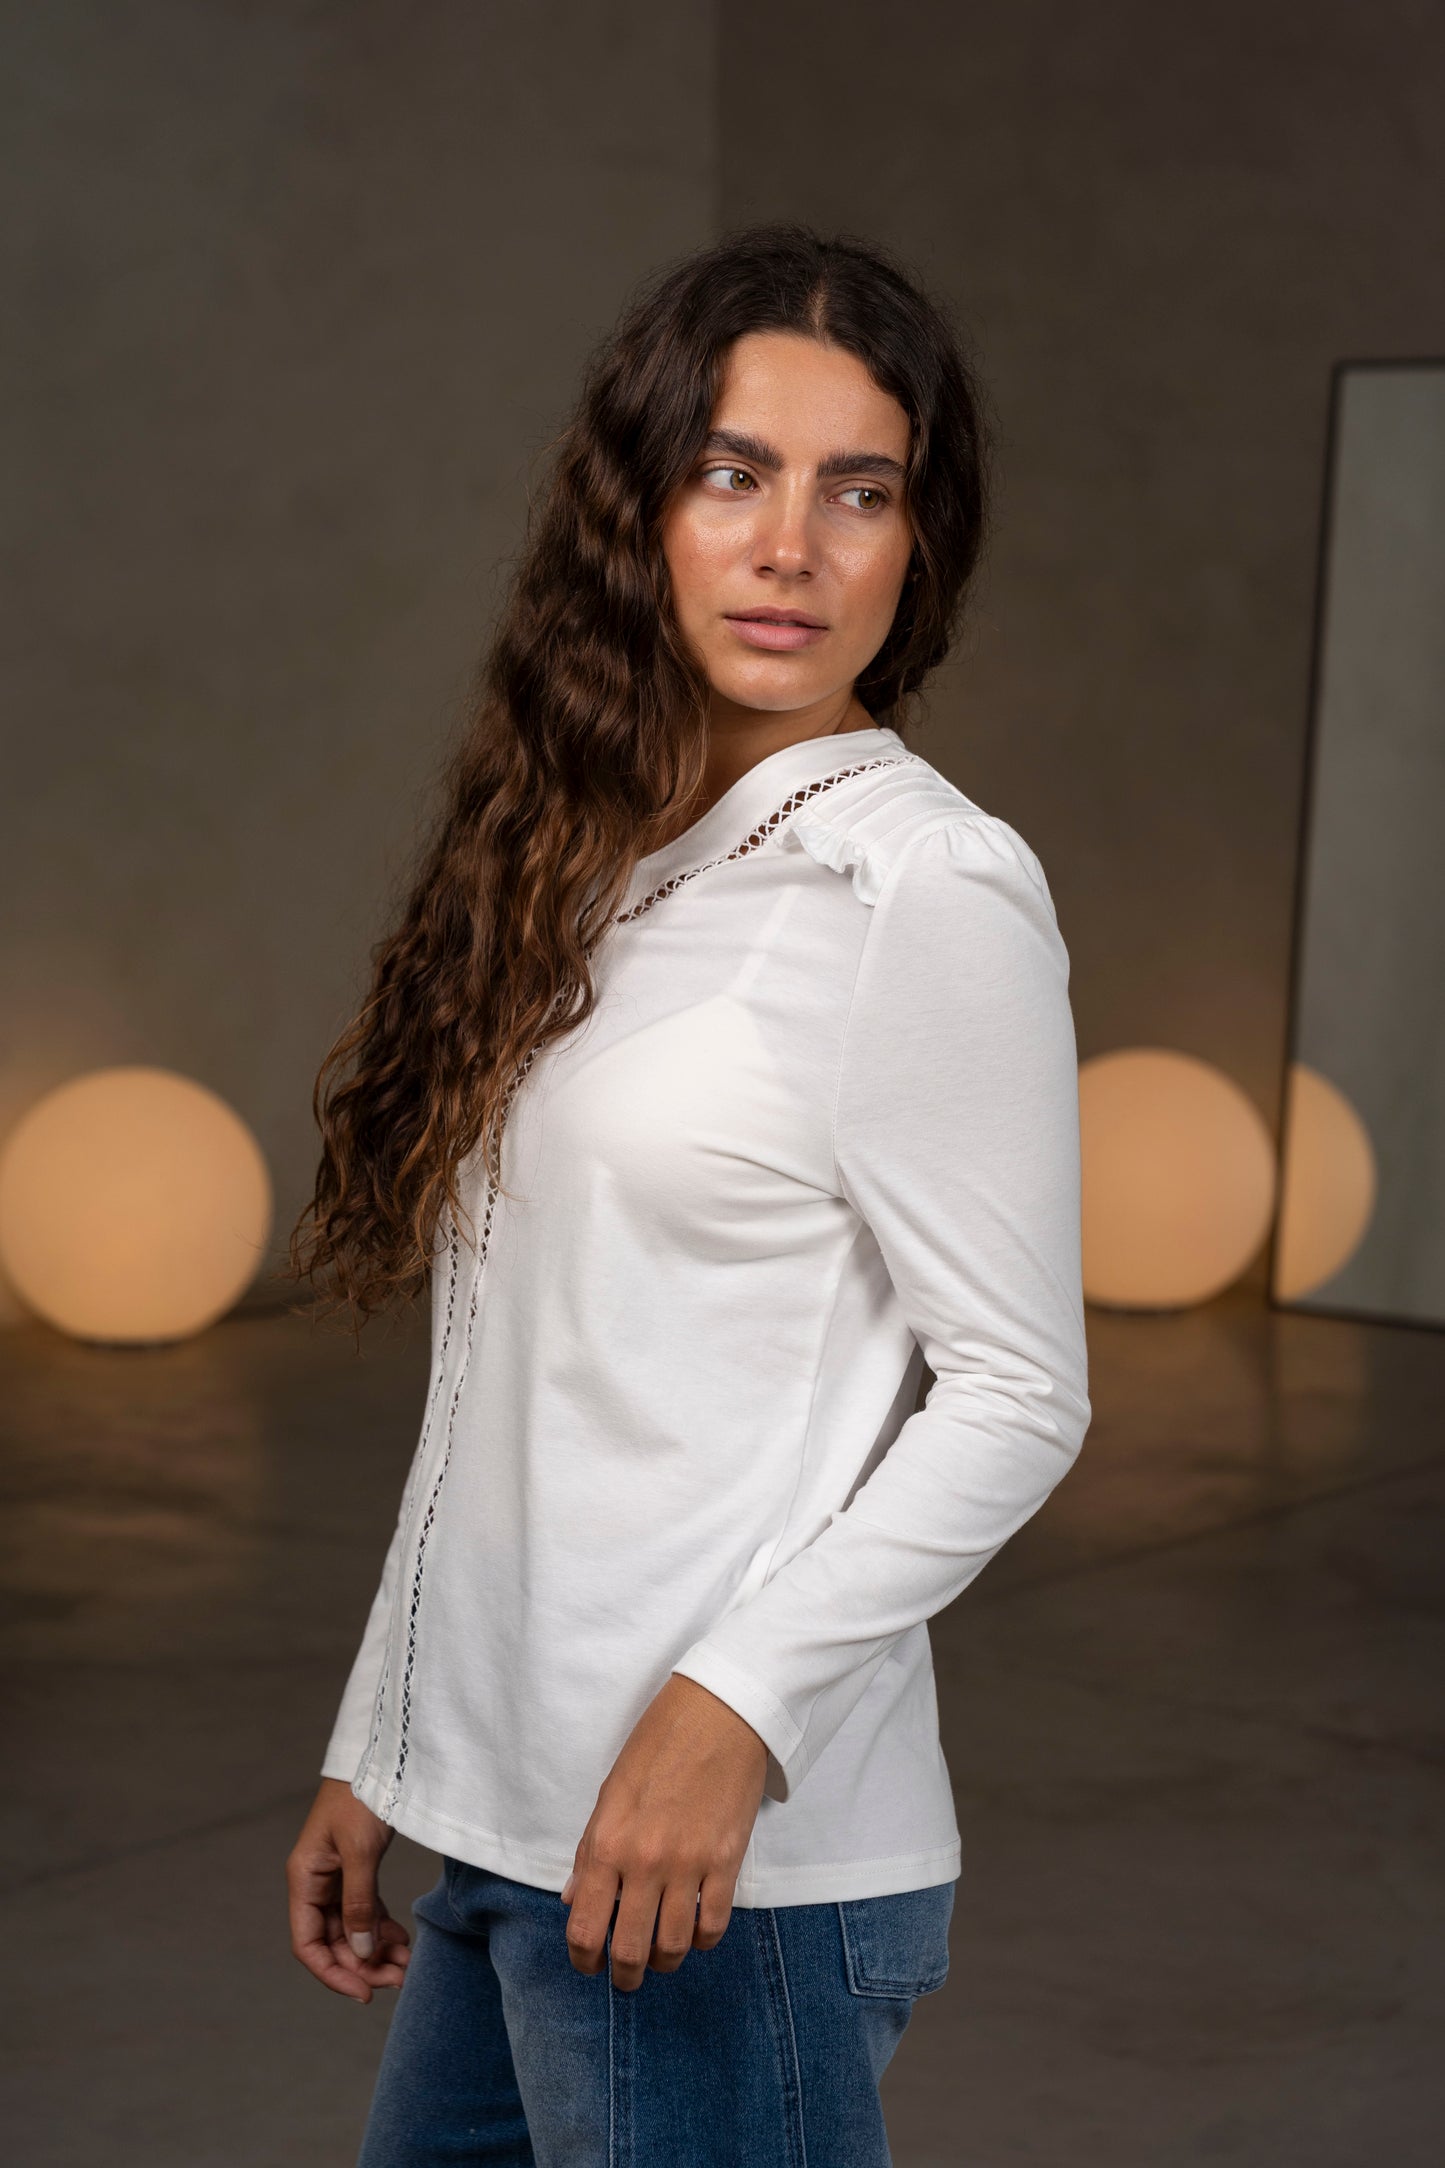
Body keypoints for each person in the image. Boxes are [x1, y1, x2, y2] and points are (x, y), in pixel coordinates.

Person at [283, 221, 1091, 2166]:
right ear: (638, 511)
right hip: (507, 1832)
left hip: (719, 1877)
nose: (791, 545)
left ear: (917, 545)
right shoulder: (599, 860)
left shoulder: (922, 887)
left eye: (859, 490)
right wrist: (387, 1737)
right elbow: (511, 1375)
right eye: (735, 473)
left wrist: (729, 1710)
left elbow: (1017, 1391)